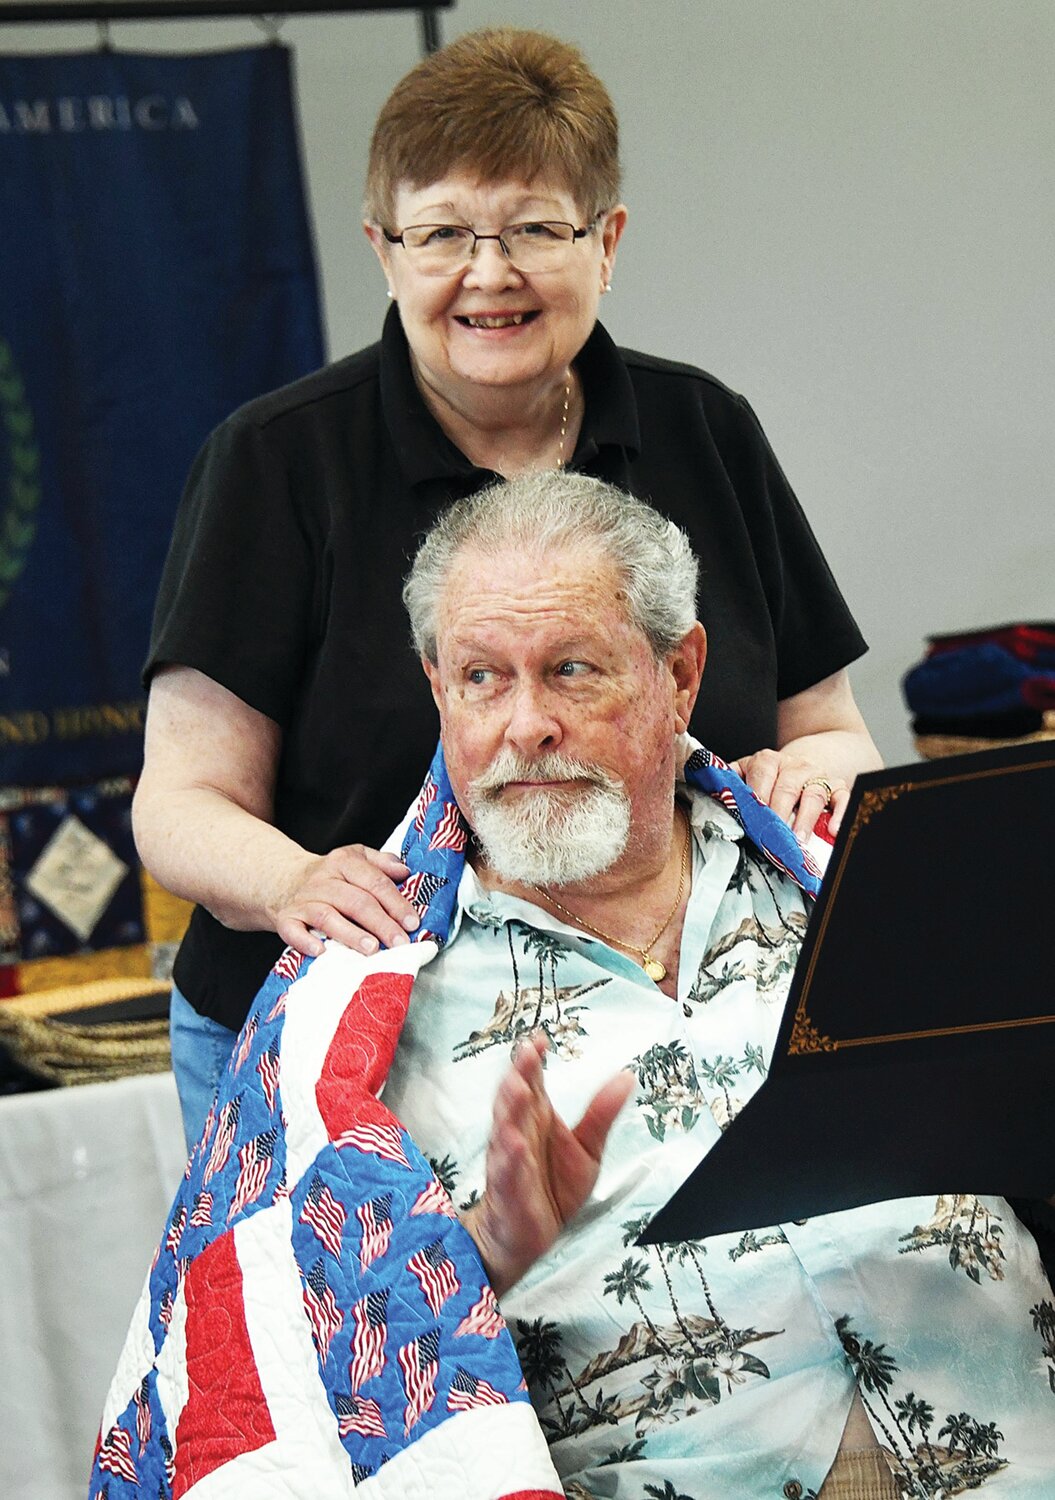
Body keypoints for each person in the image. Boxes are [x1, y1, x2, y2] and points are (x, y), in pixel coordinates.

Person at [133, 27, 881, 1151]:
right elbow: (178, 804)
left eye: (534, 228)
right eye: (441, 234)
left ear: (607, 241)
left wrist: (809, 777)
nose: (489, 275)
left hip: (665, 1034)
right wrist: (293, 880)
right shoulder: (275, 461)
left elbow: (833, 737)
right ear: (383, 250)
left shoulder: (705, 430)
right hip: (348, 1041)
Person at [378, 473, 1053, 1498]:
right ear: (436, 684)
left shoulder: (844, 862)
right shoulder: (362, 1002)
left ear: (679, 671)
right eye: (481, 678)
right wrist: (488, 1252)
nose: (525, 725)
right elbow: (310, 1390)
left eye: (570, 669)